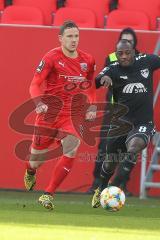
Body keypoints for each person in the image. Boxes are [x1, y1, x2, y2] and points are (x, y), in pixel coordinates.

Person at [24, 20, 97, 210]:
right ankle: (30, 171)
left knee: (72, 147)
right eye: (70, 36)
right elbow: (34, 84)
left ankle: (48, 194)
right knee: (35, 161)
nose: (74, 40)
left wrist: (92, 106)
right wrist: (38, 103)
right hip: (49, 115)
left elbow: (90, 87)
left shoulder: (87, 60)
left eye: (76, 36)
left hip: (71, 115)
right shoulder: (51, 58)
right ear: (61, 38)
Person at [92, 39, 159, 208]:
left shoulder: (146, 61)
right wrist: (104, 78)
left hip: (143, 122)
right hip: (120, 123)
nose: (123, 56)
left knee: (134, 147)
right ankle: (101, 187)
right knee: (109, 163)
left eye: (127, 52)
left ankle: (115, 188)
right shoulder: (113, 68)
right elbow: (98, 78)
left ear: (134, 52)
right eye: (120, 53)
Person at [88, 28, 140, 195]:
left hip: (132, 113)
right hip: (113, 111)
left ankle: (121, 184)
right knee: (104, 147)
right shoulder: (111, 58)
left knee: (129, 149)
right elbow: (103, 79)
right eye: (124, 40)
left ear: (134, 45)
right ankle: (97, 183)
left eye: (130, 41)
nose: (126, 44)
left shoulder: (140, 59)